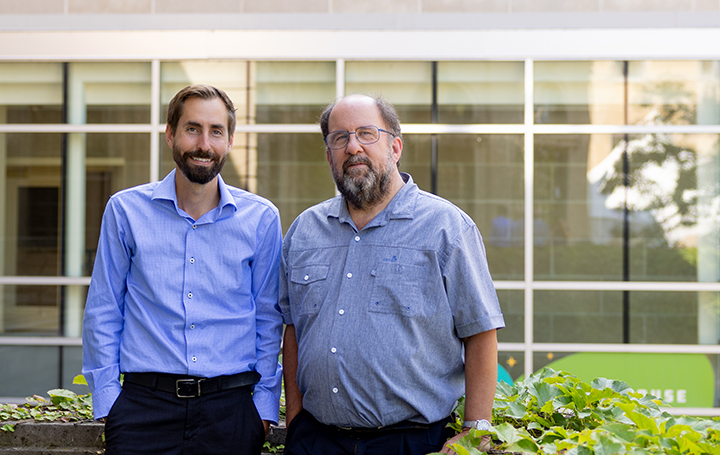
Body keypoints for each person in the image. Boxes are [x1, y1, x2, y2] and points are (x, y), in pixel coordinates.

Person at [279, 94, 504, 455]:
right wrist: (295, 419)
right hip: (316, 440)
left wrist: (476, 430)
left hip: (412, 443)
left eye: (367, 134)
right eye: (339, 138)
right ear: (328, 155)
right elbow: (294, 330)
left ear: (395, 147)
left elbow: (480, 331)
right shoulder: (305, 231)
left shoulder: (447, 228)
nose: (353, 147)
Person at [82, 84, 282, 455]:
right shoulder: (125, 211)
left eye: (216, 131)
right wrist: (109, 401)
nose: (204, 143)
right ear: (170, 134)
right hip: (143, 411)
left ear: (230, 140)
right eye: (192, 129)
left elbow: (269, 319)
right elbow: (104, 309)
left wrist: (264, 406)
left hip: (232, 412)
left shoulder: (261, 219)